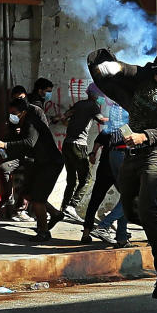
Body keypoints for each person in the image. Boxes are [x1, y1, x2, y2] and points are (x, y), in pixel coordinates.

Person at [88, 41, 157, 299]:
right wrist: (112, 66)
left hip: (154, 154)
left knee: (148, 210)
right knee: (133, 213)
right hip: (132, 154)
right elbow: (129, 71)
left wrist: (144, 137)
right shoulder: (144, 74)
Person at [0, 98, 63, 241]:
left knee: (38, 199)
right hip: (40, 163)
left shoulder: (31, 123)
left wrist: (5, 145)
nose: (12, 116)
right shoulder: (24, 123)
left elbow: (30, 143)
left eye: (14, 113)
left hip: (50, 163)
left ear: (23, 112)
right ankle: (55, 214)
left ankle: (43, 232)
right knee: (28, 193)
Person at [81, 97, 131, 247]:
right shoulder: (125, 128)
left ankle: (87, 232)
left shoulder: (110, 128)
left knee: (96, 199)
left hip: (105, 165)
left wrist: (93, 153)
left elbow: (98, 140)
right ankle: (117, 233)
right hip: (117, 165)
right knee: (127, 199)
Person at [58, 85, 107, 224]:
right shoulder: (93, 106)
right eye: (101, 95)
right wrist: (119, 120)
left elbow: (65, 116)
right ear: (95, 95)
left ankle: (63, 209)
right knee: (87, 178)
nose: (102, 98)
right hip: (79, 145)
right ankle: (72, 206)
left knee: (71, 180)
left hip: (67, 144)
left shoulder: (79, 104)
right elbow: (102, 120)